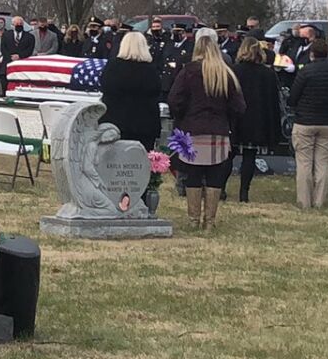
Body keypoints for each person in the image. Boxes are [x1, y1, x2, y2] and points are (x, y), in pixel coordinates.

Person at [166, 33, 245, 231]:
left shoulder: (188, 71)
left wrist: (182, 116)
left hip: (191, 130)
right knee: (215, 176)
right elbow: (239, 106)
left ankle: (193, 220)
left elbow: (174, 100)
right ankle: (209, 222)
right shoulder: (226, 73)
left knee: (192, 175)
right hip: (218, 130)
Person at [288, 37, 328, 210]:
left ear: (312, 53)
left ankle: (304, 202)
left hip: (305, 121)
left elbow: (293, 98)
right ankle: (319, 201)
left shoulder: (305, 72)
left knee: (304, 163)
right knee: (322, 162)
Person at [229, 39, 284, 203]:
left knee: (228, 154)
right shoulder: (268, 74)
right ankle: (243, 192)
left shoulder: (234, 71)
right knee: (249, 156)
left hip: (236, 118)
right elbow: (274, 101)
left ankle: (221, 188)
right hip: (256, 120)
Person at [99, 30, 162, 149]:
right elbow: (157, 91)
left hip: (115, 125)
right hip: (144, 127)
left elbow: (104, 86)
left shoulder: (113, 67)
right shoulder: (151, 70)